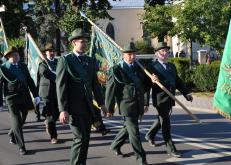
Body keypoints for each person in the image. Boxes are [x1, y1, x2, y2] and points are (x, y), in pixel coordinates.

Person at [56, 28, 108, 165]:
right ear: (73, 43)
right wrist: (63, 109)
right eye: (81, 41)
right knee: (79, 139)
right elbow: (60, 86)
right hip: (73, 108)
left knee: (86, 139)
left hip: (88, 107)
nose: (84, 44)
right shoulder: (65, 60)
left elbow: (95, 85)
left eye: (86, 41)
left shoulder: (90, 61)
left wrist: (102, 104)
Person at [105, 42, 153, 165]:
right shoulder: (116, 69)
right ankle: (141, 159)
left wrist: (153, 79)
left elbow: (145, 86)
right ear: (123, 55)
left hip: (138, 104)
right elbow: (110, 90)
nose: (132, 57)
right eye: (129, 54)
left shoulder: (140, 67)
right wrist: (109, 108)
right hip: (126, 105)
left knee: (128, 128)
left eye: (134, 54)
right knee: (135, 133)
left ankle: (115, 145)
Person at [144, 42, 193, 159]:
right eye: (162, 51)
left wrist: (186, 93)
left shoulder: (171, 66)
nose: (165, 53)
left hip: (170, 98)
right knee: (166, 123)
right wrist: (145, 103)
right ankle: (171, 149)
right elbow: (146, 86)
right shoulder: (152, 67)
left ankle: (149, 135)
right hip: (160, 99)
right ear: (157, 53)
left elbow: (177, 81)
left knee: (161, 119)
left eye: (166, 51)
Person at [0, 47, 40, 155]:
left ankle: (12, 133)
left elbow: (29, 81)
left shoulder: (23, 66)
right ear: (8, 56)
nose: (17, 56)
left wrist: (36, 95)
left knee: (24, 116)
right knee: (16, 121)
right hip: (11, 98)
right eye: (14, 55)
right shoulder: (3, 68)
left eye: (17, 54)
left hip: (24, 96)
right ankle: (21, 147)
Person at [38, 43, 59, 144]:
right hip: (46, 92)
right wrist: (57, 77)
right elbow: (45, 73)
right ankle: (53, 136)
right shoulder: (42, 63)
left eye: (53, 51)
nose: (51, 53)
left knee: (57, 114)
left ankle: (47, 121)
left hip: (58, 92)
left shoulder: (58, 62)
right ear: (45, 53)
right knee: (50, 115)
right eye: (49, 51)